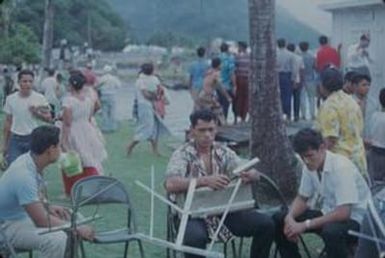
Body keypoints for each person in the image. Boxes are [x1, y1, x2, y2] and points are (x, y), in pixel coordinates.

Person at [164, 110, 275, 258]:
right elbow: (170, 184)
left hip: (225, 211)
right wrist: (204, 181)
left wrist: (251, 175)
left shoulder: (223, 151)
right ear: (192, 131)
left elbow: (246, 167)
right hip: (192, 215)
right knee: (194, 238)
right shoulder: (182, 154)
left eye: (211, 129)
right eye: (202, 130)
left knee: (266, 224)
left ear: (216, 129)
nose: (207, 135)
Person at [273, 128, 370, 258]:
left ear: (322, 148)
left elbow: (343, 213)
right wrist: (289, 218)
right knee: (279, 218)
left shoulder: (341, 167)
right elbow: (302, 198)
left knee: (331, 232)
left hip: (357, 221)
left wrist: (304, 225)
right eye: (302, 157)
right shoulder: (310, 165)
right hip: (329, 213)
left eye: (309, 156)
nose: (306, 161)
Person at [0, 125, 94, 258]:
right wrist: (75, 228)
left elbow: (33, 199)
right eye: (59, 146)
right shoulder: (23, 175)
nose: (61, 150)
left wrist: (48, 206)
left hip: (21, 218)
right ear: (51, 150)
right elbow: (41, 221)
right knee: (56, 239)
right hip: (6, 227)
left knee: (71, 216)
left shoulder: (31, 161)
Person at [315, 67, 368, 178]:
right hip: (359, 159)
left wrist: (317, 159)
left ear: (323, 85)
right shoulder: (351, 100)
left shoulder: (329, 106)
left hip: (342, 164)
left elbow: (330, 140)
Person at [61, 73, 107, 196]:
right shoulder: (88, 100)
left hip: (74, 130)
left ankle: (73, 189)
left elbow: (67, 123)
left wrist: (63, 140)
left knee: (72, 159)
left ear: (71, 86)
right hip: (87, 129)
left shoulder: (68, 101)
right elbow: (90, 116)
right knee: (88, 157)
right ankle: (91, 186)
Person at [2, 69, 52, 166]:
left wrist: (36, 113)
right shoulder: (11, 99)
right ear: (19, 82)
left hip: (33, 138)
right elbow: (8, 122)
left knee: (34, 168)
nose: (28, 84)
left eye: (30, 81)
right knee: (14, 167)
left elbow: (49, 118)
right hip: (15, 139)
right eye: (24, 81)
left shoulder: (39, 98)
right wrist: (4, 145)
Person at [126, 63, 169, 156]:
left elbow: (159, 90)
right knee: (146, 127)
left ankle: (155, 150)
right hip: (145, 106)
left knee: (155, 127)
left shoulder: (150, 79)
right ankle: (130, 146)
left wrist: (157, 96)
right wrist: (157, 97)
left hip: (152, 105)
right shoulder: (141, 81)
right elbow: (146, 94)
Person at [195, 57, 231, 126]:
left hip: (202, 94)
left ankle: (213, 125)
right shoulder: (216, 74)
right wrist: (228, 97)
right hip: (207, 95)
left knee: (206, 113)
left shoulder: (209, 72)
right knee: (218, 109)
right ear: (218, 65)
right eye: (221, 64)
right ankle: (223, 125)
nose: (222, 66)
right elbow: (221, 87)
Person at [366, 88, 385, 182]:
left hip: (374, 152)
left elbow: (369, 133)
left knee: (376, 182)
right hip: (381, 152)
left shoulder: (375, 116)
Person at [97, 65, 122, 133]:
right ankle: (112, 127)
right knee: (112, 112)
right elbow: (119, 86)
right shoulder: (114, 78)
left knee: (105, 111)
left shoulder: (102, 78)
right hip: (112, 95)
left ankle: (105, 127)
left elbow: (97, 86)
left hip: (104, 95)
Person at [276, 38, 296, 120]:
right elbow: (293, 68)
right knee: (287, 95)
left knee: (277, 95)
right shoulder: (290, 54)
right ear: (285, 44)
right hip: (287, 75)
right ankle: (287, 114)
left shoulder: (275, 54)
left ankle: (279, 113)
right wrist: (293, 78)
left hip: (277, 75)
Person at [218, 42, 237, 122]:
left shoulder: (217, 58)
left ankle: (219, 121)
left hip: (217, 86)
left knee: (219, 105)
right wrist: (235, 85)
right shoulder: (230, 59)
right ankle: (224, 121)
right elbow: (232, 73)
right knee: (226, 105)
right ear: (227, 49)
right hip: (227, 86)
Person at [287, 43, 304, 121]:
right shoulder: (299, 58)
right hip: (297, 80)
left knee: (288, 98)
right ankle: (296, 115)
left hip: (288, 81)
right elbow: (301, 70)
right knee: (297, 99)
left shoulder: (287, 58)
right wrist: (301, 81)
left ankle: (288, 115)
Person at [234, 41, 250, 123]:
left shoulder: (237, 57)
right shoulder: (250, 57)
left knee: (239, 98)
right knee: (246, 98)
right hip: (248, 79)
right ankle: (244, 116)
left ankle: (237, 116)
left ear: (241, 47)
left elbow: (235, 68)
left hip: (239, 79)